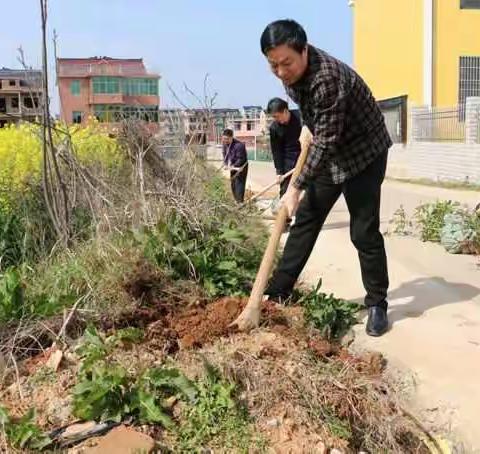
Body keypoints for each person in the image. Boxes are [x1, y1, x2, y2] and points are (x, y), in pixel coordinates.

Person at [260, 19, 392, 337]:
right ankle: (277, 292)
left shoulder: (328, 78)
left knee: (363, 231)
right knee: (306, 220)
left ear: (304, 50)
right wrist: (309, 123)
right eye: (273, 64)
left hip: (363, 154)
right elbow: (312, 111)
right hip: (332, 152)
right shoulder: (289, 74)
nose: (280, 71)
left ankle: (377, 304)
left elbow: (327, 142)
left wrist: (296, 186)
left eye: (286, 63)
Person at [267, 97, 302, 228]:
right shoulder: (274, 128)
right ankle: (284, 222)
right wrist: (279, 172)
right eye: (273, 117)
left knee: (310, 191)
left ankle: (304, 222)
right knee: (285, 191)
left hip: (305, 155)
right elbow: (276, 151)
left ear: (285, 111)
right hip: (288, 160)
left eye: (277, 116)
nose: (275, 119)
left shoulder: (301, 117)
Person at [222, 128, 249, 203]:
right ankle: (236, 200)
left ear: (231, 137)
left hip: (241, 167)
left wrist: (232, 166)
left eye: (227, 139)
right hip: (233, 167)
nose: (225, 140)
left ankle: (240, 202)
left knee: (239, 184)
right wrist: (225, 164)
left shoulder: (239, 145)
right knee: (233, 183)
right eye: (224, 138)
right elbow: (225, 155)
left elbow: (241, 159)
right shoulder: (225, 145)